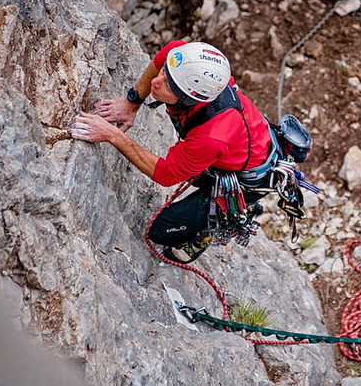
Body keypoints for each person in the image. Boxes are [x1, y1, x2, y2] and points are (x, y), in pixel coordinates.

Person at [69, 40, 274, 263]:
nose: (155, 83)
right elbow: (163, 57)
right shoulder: (188, 62)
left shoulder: (212, 136)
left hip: (246, 178)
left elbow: (166, 175)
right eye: (165, 73)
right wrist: (132, 102)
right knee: (196, 172)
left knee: (162, 231)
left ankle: (221, 221)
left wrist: (113, 136)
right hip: (232, 149)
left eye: (168, 85)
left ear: (189, 98)